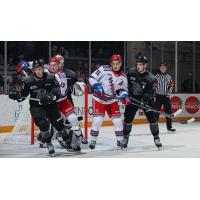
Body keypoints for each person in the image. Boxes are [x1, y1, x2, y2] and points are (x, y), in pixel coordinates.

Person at [9, 59, 71, 156]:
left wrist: (51, 96)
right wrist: (17, 95)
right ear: (33, 70)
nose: (38, 71)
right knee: (43, 124)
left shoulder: (50, 77)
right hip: (36, 105)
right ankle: (49, 143)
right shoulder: (28, 80)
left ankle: (66, 139)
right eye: (36, 69)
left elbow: (57, 91)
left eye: (39, 69)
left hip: (50, 104)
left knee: (58, 125)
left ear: (43, 69)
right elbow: (24, 94)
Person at [88, 54, 128, 150]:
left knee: (118, 121)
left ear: (121, 64)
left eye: (117, 63)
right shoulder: (104, 69)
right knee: (98, 120)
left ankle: (120, 140)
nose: (115, 65)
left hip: (112, 100)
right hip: (99, 99)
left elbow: (124, 89)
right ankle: (93, 140)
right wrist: (96, 85)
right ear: (111, 63)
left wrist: (123, 94)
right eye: (113, 63)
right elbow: (91, 77)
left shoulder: (123, 77)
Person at [123, 53, 162, 149]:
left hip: (145, 100)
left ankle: (156, 137)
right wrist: (124, 93)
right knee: (128, 118)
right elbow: (123, 82)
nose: (138, 66)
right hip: (133, 98)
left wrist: (145, 99)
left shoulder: (152, 78)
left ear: (145, 65)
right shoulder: (131, 72)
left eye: (141, 65)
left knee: (152, 119)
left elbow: (150, 92)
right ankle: (125, 138)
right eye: (138, 64)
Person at [49, 56, 88, 152]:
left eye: (58, 63)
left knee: (73, 120)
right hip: (53, 104)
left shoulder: (69, 73)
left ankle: (77, 142)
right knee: (54, 123)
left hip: (65, 101)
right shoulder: (47, 74)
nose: (55, 66)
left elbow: (77, 85)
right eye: (52, 64)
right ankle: (47, 139)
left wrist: (80, 86)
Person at [154, 63, 176, 133]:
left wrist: (169, 93)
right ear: (160, 68)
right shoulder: (156, 76)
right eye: (161, 67)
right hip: (158, 96)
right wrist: (154, 94)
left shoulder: (169, 77)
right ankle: (155, 128)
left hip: (166, 97)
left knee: (168, 113)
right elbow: (153, 85)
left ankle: (169, 128)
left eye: (164, 67)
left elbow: (171, 85)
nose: (162, 68)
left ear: (166, 68)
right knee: (156, 112)